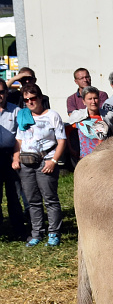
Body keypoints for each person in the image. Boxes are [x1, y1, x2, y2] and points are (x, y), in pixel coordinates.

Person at [13, 84, 67, 247]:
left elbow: (61, 140)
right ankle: (37, 233)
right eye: (26, 100)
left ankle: (54, 233)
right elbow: (19, 140)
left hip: (46, 161)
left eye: (33, 98)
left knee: (50, 199)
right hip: (26, 162)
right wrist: (16, 158)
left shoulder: (52, 116)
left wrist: (54, 161)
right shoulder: (23, 115)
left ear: (40, 97)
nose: (30, 102)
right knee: (32, 200)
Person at [0, 78, 26, 238]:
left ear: (7, 92)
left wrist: (16, 158)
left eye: (2, 92)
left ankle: (18, 229)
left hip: (11, 155)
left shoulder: (16, 111)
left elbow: (19, 138)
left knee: (14, 194)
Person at [68, 86, 113, 159]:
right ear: (84, 101)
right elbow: (66, 132)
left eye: (95, 98)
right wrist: (72, 150)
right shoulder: (78, 116)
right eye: (90, 99)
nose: (93, 102)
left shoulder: (109, 115)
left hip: (105, 158)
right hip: (86, 159)